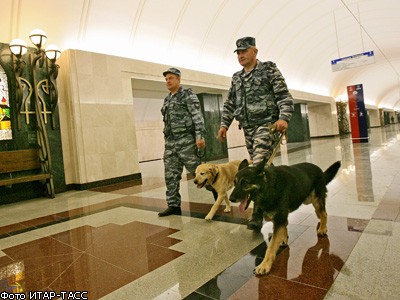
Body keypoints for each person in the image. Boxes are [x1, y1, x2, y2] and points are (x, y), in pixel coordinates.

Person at [217, 37, 294, 230]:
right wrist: (224, 124)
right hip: (248, 129)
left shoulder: (268, 69)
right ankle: (278, 199)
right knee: (264, 168)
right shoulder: (237, 78)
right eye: (238, 53)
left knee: (257, 167)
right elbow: (230, 104)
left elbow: (283, 96)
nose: (241, 55)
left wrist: (283, 117)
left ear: (255, 51)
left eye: (245, 51)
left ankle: (257, 215)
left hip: (267, 126)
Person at [159, 67, 206, 217]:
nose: (168, 81)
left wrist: (199, 136)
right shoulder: (167, 99)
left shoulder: (187, 95)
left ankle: (218, 194)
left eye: (171, 78)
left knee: (200, 173)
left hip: (187, 142)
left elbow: (197, 116)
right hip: (170, 144)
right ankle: (173, 205)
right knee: (170, 175)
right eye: (166, 79)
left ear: (178, 79)